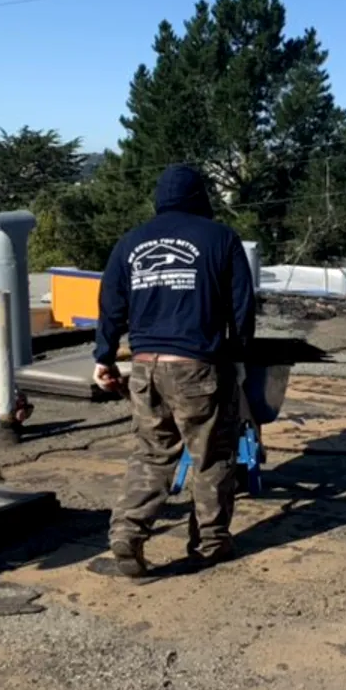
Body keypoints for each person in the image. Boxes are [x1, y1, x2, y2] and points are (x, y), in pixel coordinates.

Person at [93, 164, 256, 577]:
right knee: (211, 457)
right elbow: (242, 305)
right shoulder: (220, 238)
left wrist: (104, 356)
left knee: (151, 454)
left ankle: (127, 535)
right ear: (200, 197)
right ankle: (210, 543)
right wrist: (238, 356)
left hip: (146, 368)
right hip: (197, 367)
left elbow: (111, 304)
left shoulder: (129, 243)